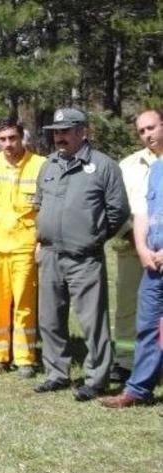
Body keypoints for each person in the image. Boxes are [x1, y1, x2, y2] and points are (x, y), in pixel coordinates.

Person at [33, 107, 129, 401]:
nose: (59, 138)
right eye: (56, 133)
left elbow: (118, 211)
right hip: (49, 255)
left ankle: (97, 378)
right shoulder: (48, 165)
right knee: (49, 319)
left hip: (84, 258)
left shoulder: (103, 166)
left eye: (66, 131)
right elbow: (39, 204)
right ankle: (56, 373)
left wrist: (93, 236)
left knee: (92, 321)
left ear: (82, 132)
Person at [99, 109, 163, 408]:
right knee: (145, 322)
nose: (148, 134)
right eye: (141, 131)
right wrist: (141, 246)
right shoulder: (150, 169)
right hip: (148, 259)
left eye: (152, 127)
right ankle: (137, 388)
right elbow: (140, 213)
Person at [0, 119, 46, 378]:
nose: (8, 144)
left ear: (21, 138)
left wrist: (40, 243)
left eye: (12, 138)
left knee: (24, 304)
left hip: (25, 246)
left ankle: (25, 359)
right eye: (2, 139)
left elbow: (44, 209)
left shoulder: (39, 165)